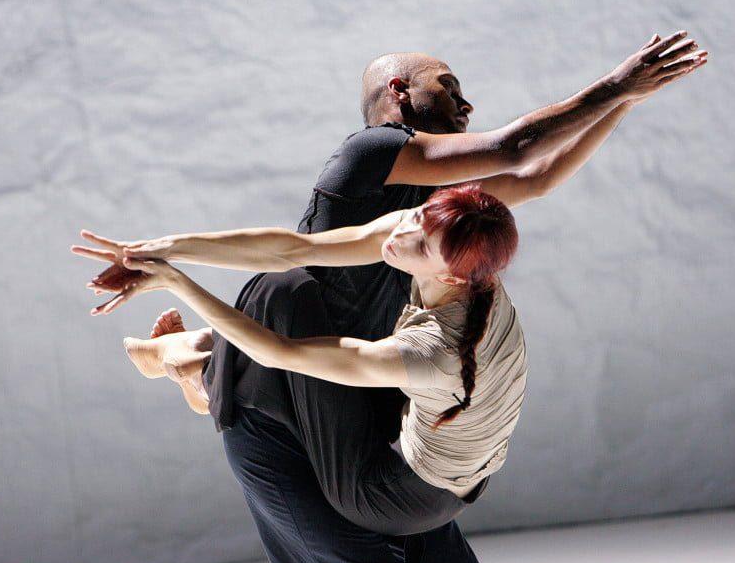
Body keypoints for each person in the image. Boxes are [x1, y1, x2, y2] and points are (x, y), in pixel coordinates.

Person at [72, 33, 707, 563]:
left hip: (365, 361)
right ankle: (194, 368)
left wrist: (625, 102)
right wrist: (616, 85)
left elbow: (534, 177)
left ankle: (191, 362)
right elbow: (512, 151)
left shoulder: (436, 213)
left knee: (316, 357)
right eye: (448, 88)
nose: (466, 104)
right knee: (281, 319)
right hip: (301, 337)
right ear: (400, 92)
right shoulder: (373, 152)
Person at [80, 183, 524, 537]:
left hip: (392, 498)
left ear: (452, 276)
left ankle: (197, 371)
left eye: (422, 248)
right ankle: (201, 360)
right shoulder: (461, 260)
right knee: (288, 289)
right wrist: (155, 249)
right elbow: (296, 248)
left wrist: (174, 282)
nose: (401, 236)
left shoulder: (437, 350)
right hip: (435, 450)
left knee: (286, 322)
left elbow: (279, 353)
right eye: (418, 216)